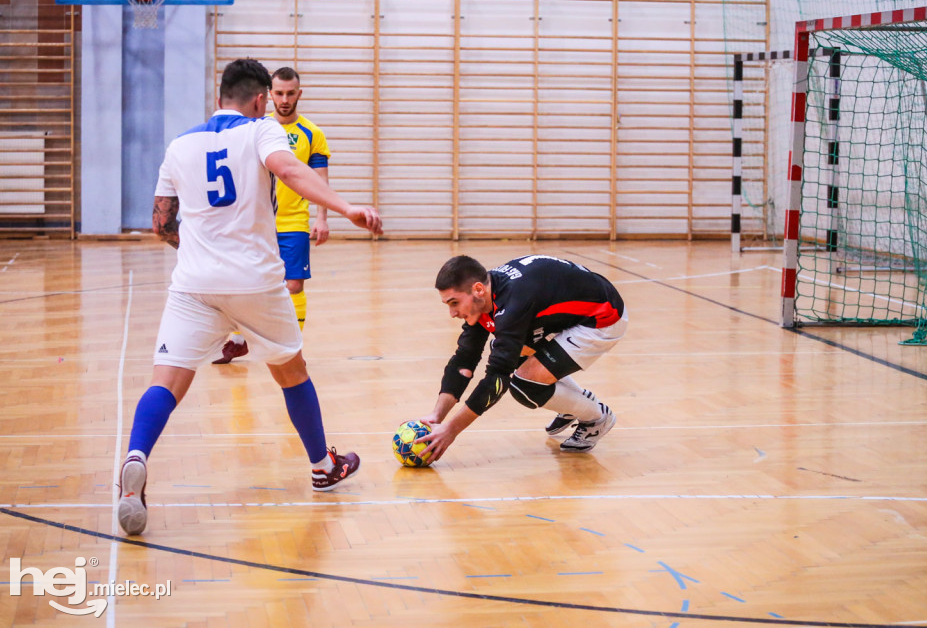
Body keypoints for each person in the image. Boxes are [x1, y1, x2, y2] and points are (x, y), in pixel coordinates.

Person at [116, 58, 383, 536]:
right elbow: (290, 171)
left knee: (166, 382)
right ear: (261, 100)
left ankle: (135, 457)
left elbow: (161, 223)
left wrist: (200, 250)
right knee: (291, 372)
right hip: (256, 282)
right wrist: (345, 208)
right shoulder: (262, 133)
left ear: (220, 96)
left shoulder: (180, 145)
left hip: (194, 285)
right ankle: (323, 466)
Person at [416, 254, 627, 464]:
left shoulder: (513, 304)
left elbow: (496, 381)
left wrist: (451, 430)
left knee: (525, 386)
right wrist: (437, 417)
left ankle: (597, 418)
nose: (452, 313)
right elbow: (465, 359)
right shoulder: (485, 297)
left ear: (478, 289)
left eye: (454, 303)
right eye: (448, 305)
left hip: (602, 317)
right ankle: (571, 403)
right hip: (563, 315)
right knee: (506, 350)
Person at [214, 66, 330, 363]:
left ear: (299, 94)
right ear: (268, 95)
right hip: (256, 222)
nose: (284, 99)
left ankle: (294, 348)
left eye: (291, 93)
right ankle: (239, 340)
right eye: (278, 93)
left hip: (294, 222)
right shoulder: (256, 128)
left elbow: (319, 179)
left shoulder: (311, 134)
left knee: (293, 284)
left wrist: (322, 218)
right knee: (245, 281)